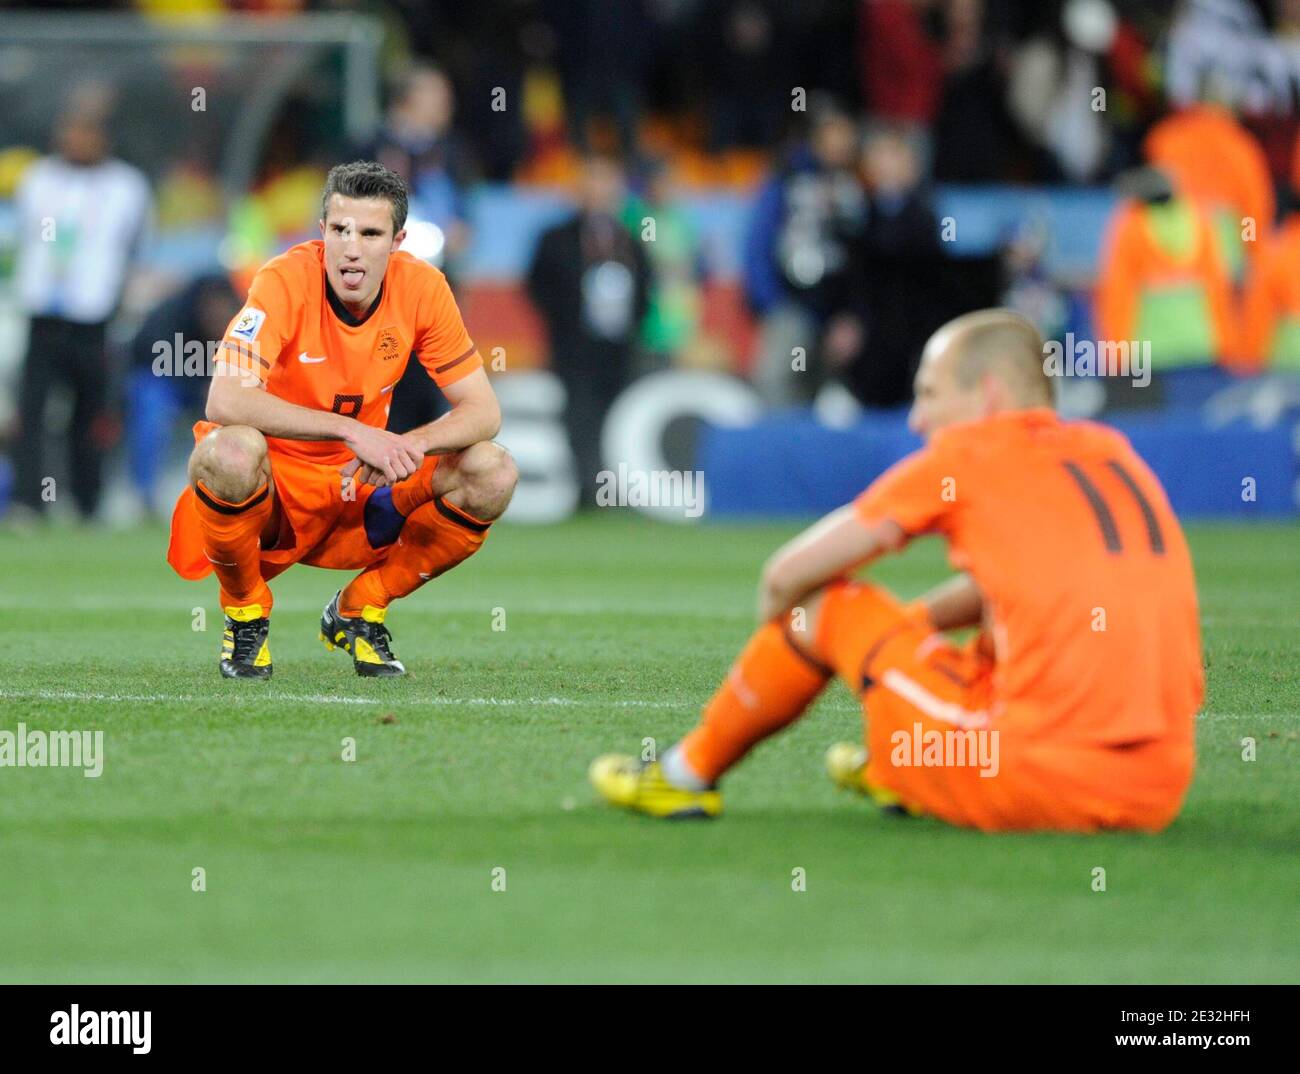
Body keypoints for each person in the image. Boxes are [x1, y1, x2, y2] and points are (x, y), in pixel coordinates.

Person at [591, 309, 1203, 833]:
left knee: (829, 606)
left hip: (1036, 779)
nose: (916, 420)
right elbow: (1026, 587)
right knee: (993, 646)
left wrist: (800, 643)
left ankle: (682, 775)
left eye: (930, 393)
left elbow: (786, 576)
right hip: (1159, 787)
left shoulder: (969, 454)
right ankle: (908, 754)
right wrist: (911, 631)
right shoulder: (1111, 453)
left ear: (987, 395)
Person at [166, 161, 517, 680]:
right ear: (322, 232)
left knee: (494, 471)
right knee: (228, 451)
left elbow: (483, 411)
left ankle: (360, 608)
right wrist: (354, 431)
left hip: (359, 484)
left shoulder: (423, 288)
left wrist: (410, 446)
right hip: (278, 487)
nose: (351, 247)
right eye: (339, 229)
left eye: (370, 233)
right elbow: (225, 399)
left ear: (397, 241)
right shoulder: (283, 279)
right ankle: (245, 616)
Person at [10, 100, 152, 521]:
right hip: (43, 311)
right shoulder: (37, 178)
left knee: (90, 413)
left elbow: (137, 248)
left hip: (93, 314)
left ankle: (87, 503)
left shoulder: (127, 186)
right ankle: (28, 504)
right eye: (70, 130)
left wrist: (124, 302)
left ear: (104, 138)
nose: (76, 140)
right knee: (32, 411)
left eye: (86, 131)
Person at [525, 154, 649, 504]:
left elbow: (645, 288)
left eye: (607, 184)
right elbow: (537, 285)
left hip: (618, 347)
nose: (600, 193)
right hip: (574, 346)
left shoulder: (629, 240)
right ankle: (586, 487)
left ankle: (612, 487)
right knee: (579, 413)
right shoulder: (556, 238)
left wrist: (631, 326)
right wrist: (562, 321)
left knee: (616, 415)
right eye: (592, 184)